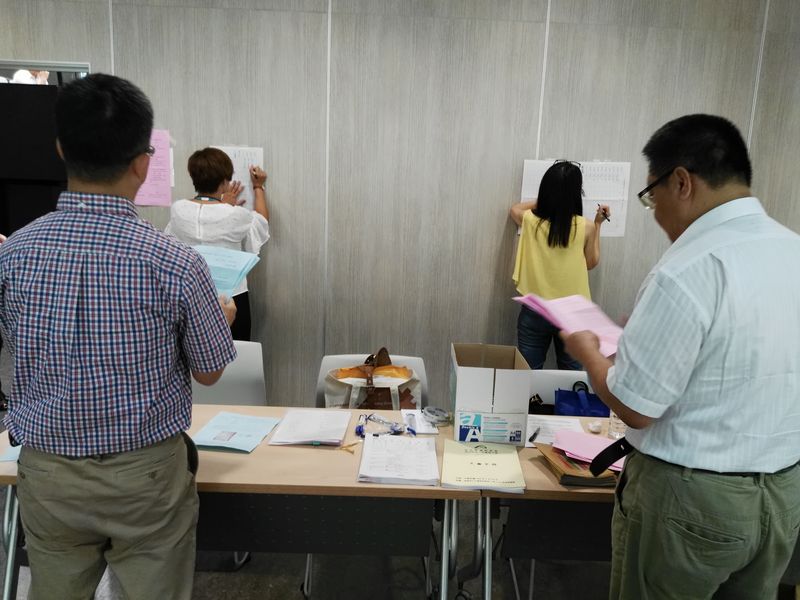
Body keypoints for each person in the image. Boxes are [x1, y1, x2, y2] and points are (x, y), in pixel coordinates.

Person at [0, 73, 238, 600]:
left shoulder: (13, 253)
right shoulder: (174, 262)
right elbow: (209, 372)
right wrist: (222, 317)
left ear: (61, 150)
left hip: (47, 470)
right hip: (145, 475)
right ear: (142, 162)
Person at [563, 114, 800, 599]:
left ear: (681, 182)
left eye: (651, 198)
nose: (655, 214)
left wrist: (588, 352)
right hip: (782, 495)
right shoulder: (791, 250)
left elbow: (635, 408)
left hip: (691, 503)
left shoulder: (688, 267)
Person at [509, 160, 609, 369]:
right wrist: (598, 224)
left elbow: (515, 209)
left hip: (535, 310)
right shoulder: (586, 227)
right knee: (571, 377)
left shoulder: (531, 220)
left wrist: (548, 200)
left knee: (529, 375)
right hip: (573, 315)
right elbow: (591, 263)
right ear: (576, 194)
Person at [166, 147, 270, 341]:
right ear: (224, 182)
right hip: (231, 299)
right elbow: (262, 222)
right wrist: (258, 187)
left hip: (190, 296)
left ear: (193, 178)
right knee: (236, 352)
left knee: (193, 352)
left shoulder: (178, 210)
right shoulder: (235, 214)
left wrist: (222, 205)